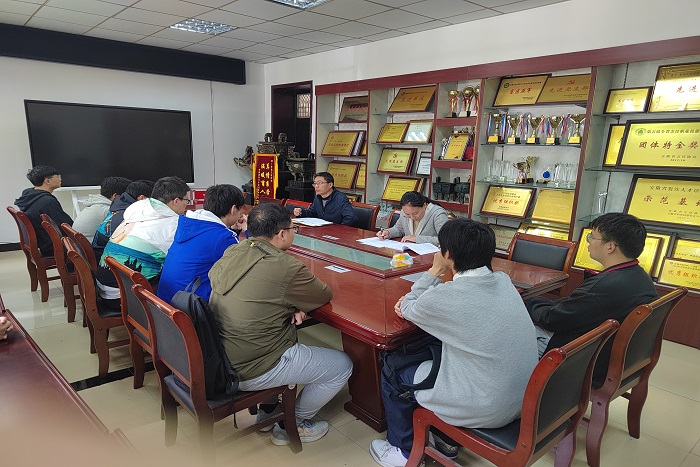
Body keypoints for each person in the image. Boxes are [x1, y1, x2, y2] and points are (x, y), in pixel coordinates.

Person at [370, 219, 537, 467]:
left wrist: (434, 270)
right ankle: (445, 440)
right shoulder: (503, 281)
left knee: (394, 367)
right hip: (524, 399)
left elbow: (408, 306)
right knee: (432, 349)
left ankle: (403, 451)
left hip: (487, 406)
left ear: (446, 254)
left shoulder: (448, 296)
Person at [209, 203, 352, 447]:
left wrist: (289, 304)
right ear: (282, 234)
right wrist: (296, 303)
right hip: (253, 365)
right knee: (342, 366)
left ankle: (268, 412)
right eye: (293, 228)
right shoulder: (285, 266)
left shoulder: (235, 250)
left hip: (222, 355)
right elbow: (323, 294)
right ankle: (291, 422)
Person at [525, 212, 658, 379]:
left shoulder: (602, 288)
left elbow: (551, 319)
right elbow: (573, 309)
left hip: (582, 361)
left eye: (592, 237)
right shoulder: (640, 277)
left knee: (512, 327)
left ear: (610, 247)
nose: (588, 242)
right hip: (617, 356)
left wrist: (526, 302)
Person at [95, 176, 190, 304]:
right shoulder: (172, 225)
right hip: (125, 297)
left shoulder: (136, 212)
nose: (186, 205)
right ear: (176, 201)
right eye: (186, 200)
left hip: (105, 287)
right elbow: (182, 260)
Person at [157, 184, 248, 304]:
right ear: (233, 209)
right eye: (240, 210)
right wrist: (248, 231)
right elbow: (248, 265)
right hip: (193, 308)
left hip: (166, 302)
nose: (241, 214)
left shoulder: (187, 224)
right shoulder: (224, 238)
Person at [14, 166, 73, 257]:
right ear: (47, 181)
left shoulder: (29, 194)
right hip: (53, 245)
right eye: (57, 177)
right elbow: (65, 225)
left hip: (43, 242)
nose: (60, 179)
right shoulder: (47, 201)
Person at [92, 179, 155, 258]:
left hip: (100, 253)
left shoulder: (118, 205)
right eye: (153, 201)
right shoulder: (129, 216)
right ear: (142, 198)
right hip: (105, 258)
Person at [376, 191, 448, 246]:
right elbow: (399, 229)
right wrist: (388, 233)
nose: (412, 218)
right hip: (409, 252)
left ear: (424, 205)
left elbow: (445, 240)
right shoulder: (404, 212)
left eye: (415, 214)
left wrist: (417, 239)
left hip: (431, 255)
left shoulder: (437, 214)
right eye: (408, 214)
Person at [72, 176, 131, 242]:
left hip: (81, 245)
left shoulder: (96, 204)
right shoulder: (108, 211)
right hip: (92, 246)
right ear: (116, 196)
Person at [292, 172, 357, 225]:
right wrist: (301, 212)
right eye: (315, 183)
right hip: (322, 230)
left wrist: (339, 229)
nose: (316, 186)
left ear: (330, 185)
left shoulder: (340, 198)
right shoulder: (318, 197)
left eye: (320, 183)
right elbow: (312, 213)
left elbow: (351, 217)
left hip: (335, 232)